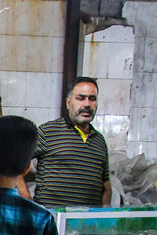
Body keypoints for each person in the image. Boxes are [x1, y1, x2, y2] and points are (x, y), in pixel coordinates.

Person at [19, 77, 111, 207]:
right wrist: (27, 201)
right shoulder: (47, 132)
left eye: (92, 98)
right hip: (51, 221)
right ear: (68, 103)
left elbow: (105, 182)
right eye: (80, 98)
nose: (87, 104)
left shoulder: (99, 140)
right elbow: (14, 164)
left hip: (86, 223)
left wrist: (105, 214)